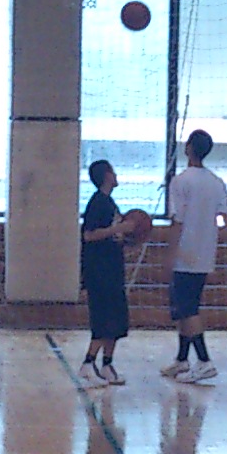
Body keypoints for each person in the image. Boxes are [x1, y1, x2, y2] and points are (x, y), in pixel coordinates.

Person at [160, 130, 227, 386]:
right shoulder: (216, 182)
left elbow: (177, 222)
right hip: (204, 255)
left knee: (188, 310)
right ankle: (182, 359)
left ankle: (204, 361)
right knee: (183, 308)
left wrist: (170, 254)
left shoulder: (180, 181)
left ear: (188, 147)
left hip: (185, 254)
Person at [76, 159, 134, 385]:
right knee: (103, 319)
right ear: (107, 175)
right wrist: (118, 228)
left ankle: (107, 365)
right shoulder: (97, 203)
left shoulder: (109, 203)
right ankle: (88, 363)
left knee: (117, 321)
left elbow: (112, 235)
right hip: (99, 273)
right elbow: (89, 235)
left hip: (113, 270)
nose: (116, 175)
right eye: (113, 171)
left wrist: (126, 239)